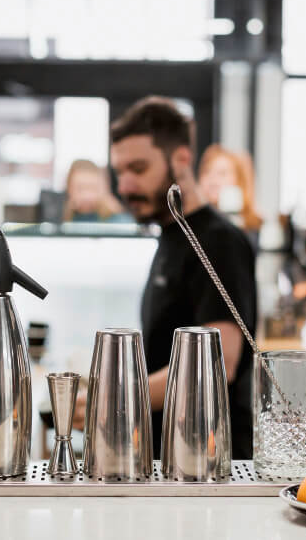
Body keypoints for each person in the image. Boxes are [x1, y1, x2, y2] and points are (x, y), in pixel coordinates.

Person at [73, 96, 257, 459]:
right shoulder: (172, 234)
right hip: (170, 454)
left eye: (138, 169)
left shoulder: (218, 241)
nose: (125, 186)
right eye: (120, 171)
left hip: (209, 461)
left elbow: (219, 365)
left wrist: (116, 399)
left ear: (181, 159)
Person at [198, 144, 264, 237]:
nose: (212, 179)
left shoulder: (250, 225)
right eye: (207, 172)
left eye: (222, 173)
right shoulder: (191, 222)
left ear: (239, 180)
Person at [62, 159, 128, 223]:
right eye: (80, 189)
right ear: (69, 188)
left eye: (93, 188)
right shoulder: (62, 216)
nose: (87, 196)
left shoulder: (118, 220)